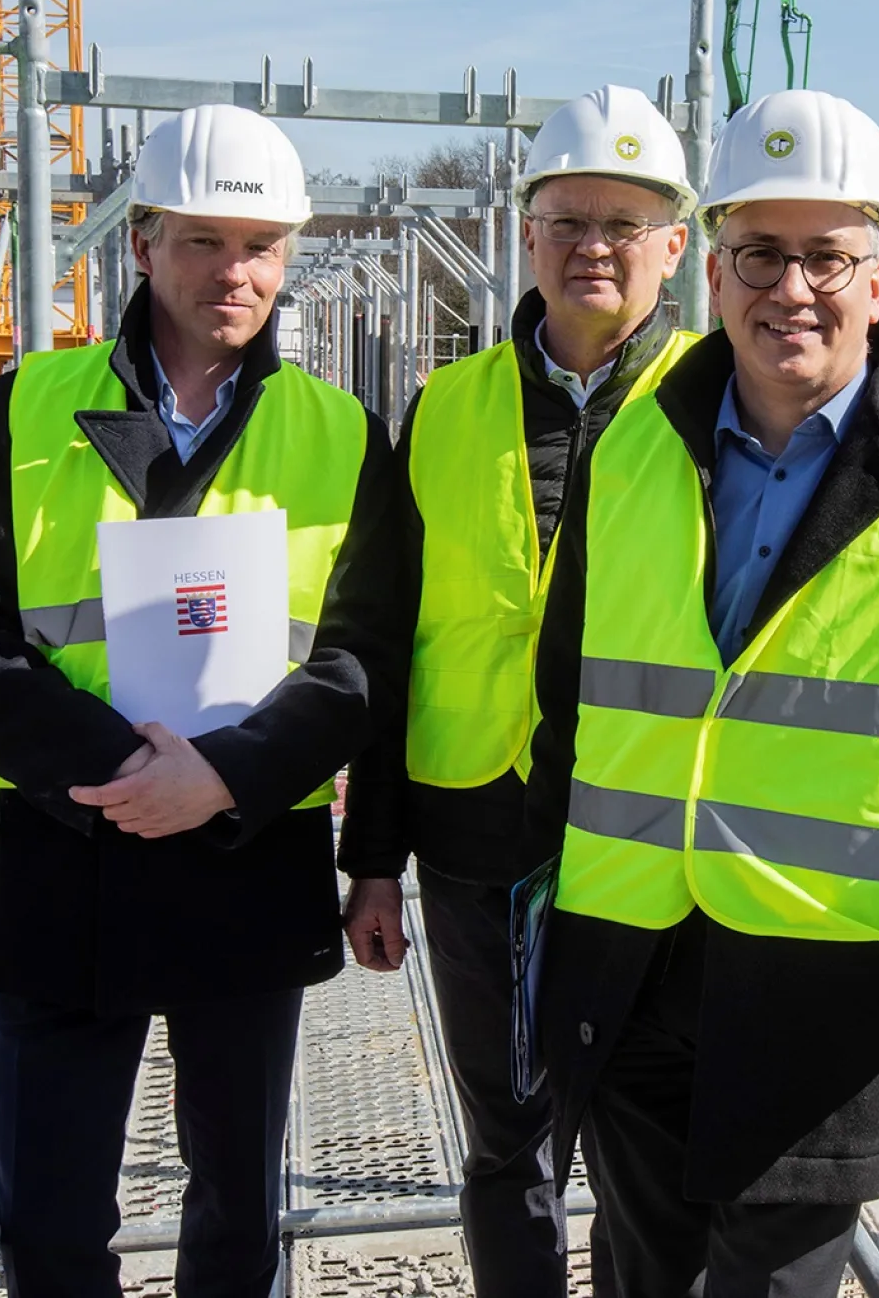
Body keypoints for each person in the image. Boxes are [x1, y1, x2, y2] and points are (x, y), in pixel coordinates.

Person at [530, 87, 879, 1297]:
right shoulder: (634, 446)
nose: (792, 289)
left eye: (828, 256)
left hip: (825, 1000)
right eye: (761, 254)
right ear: (714, 271)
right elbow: (569, 698)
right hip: (631, 966)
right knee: (636, 1274)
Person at [0, 103, 396, 1298]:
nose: (236, 272)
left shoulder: (338, 433)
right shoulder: (34, 406)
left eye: (261, 247)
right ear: (142, 244)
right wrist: (124, 779)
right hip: (69, 852)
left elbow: (360, 660)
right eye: (203, 241)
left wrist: (223, 777)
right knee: (55, 1217)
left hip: (246, 848)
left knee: (237, 1210)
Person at [338, 84, 696, 1295]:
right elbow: (386, 638)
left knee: (649, 1144)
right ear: (526, 234)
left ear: (674, 246)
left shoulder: (715, 407)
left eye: (624, 222)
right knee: (508, 1145)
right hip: (474, 828)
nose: (593, 244)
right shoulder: (447, 406)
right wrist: (372, 857)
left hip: (644, 832)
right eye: (567, 219)